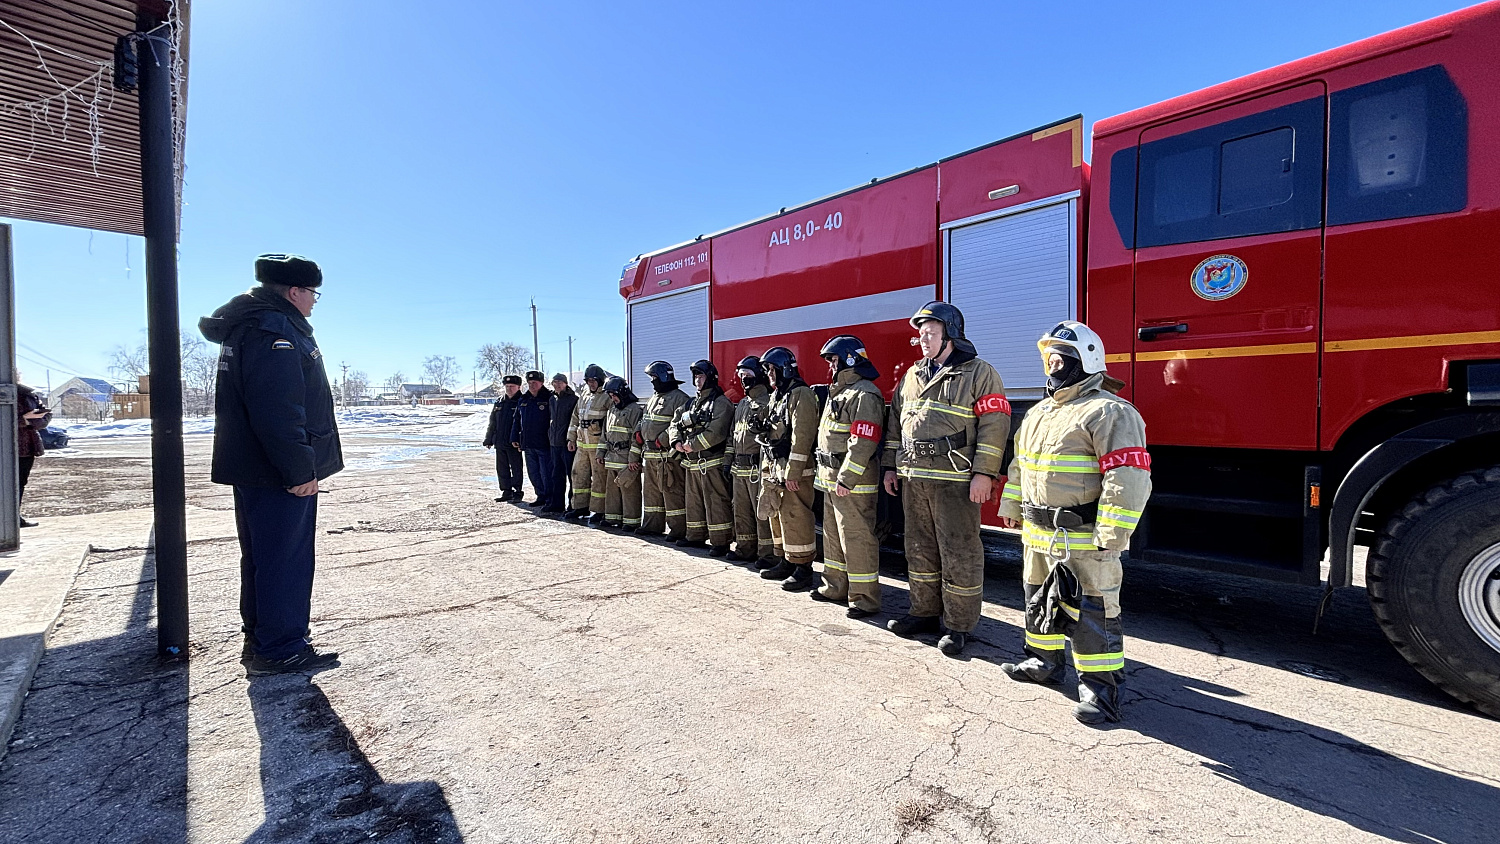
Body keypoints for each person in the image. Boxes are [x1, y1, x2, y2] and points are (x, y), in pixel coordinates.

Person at [997, 321, 1151, 725]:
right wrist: (1012, 507)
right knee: (1038, 600)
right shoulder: (1039, 414)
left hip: (1082, 538)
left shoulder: (1110, 412)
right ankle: (1042, 662)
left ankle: (1101, 692)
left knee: (1093, 612)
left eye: (1062, 358)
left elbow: (1128, 477)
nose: (1053, 365)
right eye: (1049, 358)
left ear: (1086, 359)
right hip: (1038, 536)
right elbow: (1019, 467)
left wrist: (1112, 534)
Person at [199, 253, 342, 676]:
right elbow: (277, 408)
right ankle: (280, 647)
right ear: (294, 291)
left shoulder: (253, 324)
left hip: (258, 467)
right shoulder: (274, 329)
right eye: (313, 293)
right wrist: (298, 471)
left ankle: (264, 639)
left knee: (264, 557)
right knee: (284, 559)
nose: (314, 301)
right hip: (277, 471)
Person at [882, 301, 1010, 657]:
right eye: (920, 334)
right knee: (918, 548)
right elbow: (895, 423)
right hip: (914, 478)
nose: (923, 340)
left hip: (955, 480)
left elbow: (995, 426)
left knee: (959, 551)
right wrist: (891, 466)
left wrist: (984, 473)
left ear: (950, 334)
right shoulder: (912, 375)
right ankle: (923, 612)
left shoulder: (980, 373)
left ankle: (958, 625)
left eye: (930, 333)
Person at [810, 336, 886, 619]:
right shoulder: (840, 392)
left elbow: (863, 441)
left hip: (852, 483)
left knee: (856, 539)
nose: (830, 365)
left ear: (849, 359)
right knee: (833, 536)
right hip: (832, 478)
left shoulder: (865, 393)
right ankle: (835, 587)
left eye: (833, 359)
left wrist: (847, 478)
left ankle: (864, 599)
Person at [757, 346, 821, 592]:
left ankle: (803, 569)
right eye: (767, 370)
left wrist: (793, 472)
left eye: (772, 369)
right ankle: (786, 561)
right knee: (778, 516)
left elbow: (802, 436)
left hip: (796, 471)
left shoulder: (801, 394)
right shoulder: (778, 395)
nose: (769, 374)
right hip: (777, 468)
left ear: (784, 369)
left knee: (797, 517)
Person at [670, 359, 734, 554]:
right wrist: (676, 441)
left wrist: (692, 445)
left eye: (701, 376)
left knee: (716, 502)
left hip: (712, 464)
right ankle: (695, 536)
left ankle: (720, 541)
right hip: (692, 464)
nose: (697, 380)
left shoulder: (721, 403)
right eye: (695, 376)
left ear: (711, 378)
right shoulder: (691, 403)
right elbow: (674, 423)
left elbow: (717, 432)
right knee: (694, 503)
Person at [728, 356, 773, 568]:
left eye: (748, 374)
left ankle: (767, 555)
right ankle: (744, 549)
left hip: (757, 468)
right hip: (739, 468)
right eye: (741, 375)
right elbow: (732, 435)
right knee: (741, 512)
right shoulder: (743, 404)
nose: (744, 379)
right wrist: (728, 461)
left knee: (762, 514)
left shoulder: (769, 401)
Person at [638, 361, 690, 538]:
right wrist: (639, 431)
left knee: (672, 492)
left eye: (654, 377)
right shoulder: (653, 398)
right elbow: (646, 418)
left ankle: (678, 529)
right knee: (651, 493)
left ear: (663, 377)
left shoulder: (680, 398)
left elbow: (680, 425)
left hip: (668, 457)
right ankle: (651, 525)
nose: (652, 381)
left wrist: (663, 439)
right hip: (650, 455)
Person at [564, 364, 611, 521]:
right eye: (588, 381)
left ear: (600, 380)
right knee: (578, 475)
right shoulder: (584, 395)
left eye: (593, 381)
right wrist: (571, 438)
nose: (590, 384)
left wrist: (605, 447)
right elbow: (575, 418)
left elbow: (610, 423)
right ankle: (580, 507)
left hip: (597, 446)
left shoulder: (607, 396)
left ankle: (599, 510)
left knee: (599, 478)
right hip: (581, 445)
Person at [599, 376, 645, 531]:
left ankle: (631, 521)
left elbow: (637, 438)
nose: (613, 399)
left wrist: (634, 459)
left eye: (614, 395)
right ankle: (612, 518)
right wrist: (600, 453)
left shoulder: (635, 410)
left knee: (629, 491)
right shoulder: (611, 410)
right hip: (612, 457)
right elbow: (605, 434)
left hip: (626, 459)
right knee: (612, 491)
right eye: (610, 396)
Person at [510, 370, 553, 506]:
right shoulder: (524, 399)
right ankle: (540, 495)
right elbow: (517, 419)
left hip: (544, 443)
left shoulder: (549, 398)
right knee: (533, 473)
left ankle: (549, 498)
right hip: (528, 443)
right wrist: (514, 437)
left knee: (546, 473)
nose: (532, 385)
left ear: (541, 383)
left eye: (535, 382)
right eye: (529, 383)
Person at [15, 378, 50, 528]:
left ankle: (15, 516)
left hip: (27, 446)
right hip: (8, 444)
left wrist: (30, 421)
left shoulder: (29, 394)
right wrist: (23, 420)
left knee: (20, 483)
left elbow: (46, 415)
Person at [483, 375, 524, 501]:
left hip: (514, 442)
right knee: (502, 468)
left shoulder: (522, 401)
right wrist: (489, 438)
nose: (509, 389)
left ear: (518, 387)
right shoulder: (500, 402)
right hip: (500, 440)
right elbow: (493, 422)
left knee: (516, 468)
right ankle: (506, 491)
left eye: (512, 386)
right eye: (507, 386)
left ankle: (517, 491)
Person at [546, 373, 578, 513]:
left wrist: (572, 439)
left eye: (560, 382)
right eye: (555, 382)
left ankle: (573, 504)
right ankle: (557, 504)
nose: (557, 385)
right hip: (554, 443)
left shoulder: (573, 400)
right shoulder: (552, 399)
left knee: (571, 475)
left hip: (567, 443)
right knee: (556, 475)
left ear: (565, 384)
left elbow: (575, 421)